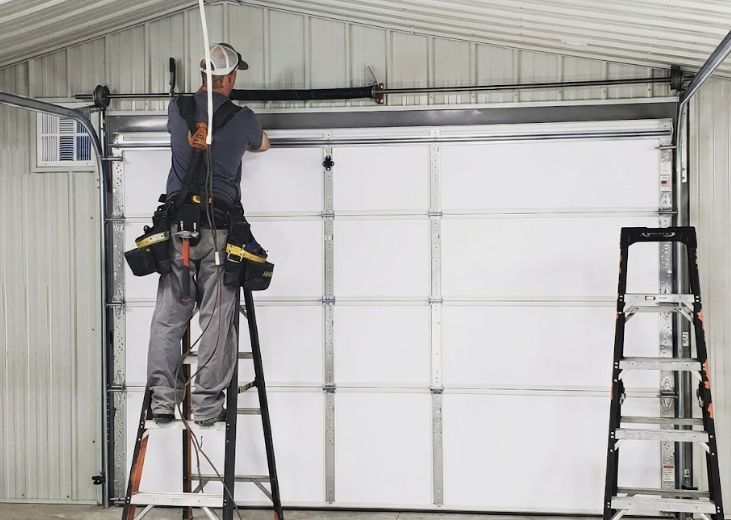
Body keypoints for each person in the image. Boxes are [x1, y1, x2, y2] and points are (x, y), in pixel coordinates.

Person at [147, 43, 270, 426]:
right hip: (217, 233)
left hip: (178, 233)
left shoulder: (178, 110)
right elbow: (263, 144)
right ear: (230, 78)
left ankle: (162, 403)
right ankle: (205, 406)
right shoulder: (243, 118)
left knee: (168, 320)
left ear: (203, 76)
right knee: (216, 321)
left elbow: (187, 132)